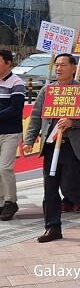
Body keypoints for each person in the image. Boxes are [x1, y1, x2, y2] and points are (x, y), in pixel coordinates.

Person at [23, 53, 80, 242]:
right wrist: (29, 139)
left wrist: (73, 122)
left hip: (71, 145)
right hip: (51, 145)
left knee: (69, 187)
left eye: (63, 65)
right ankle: (52, 227)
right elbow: (35, 116)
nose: (58, 68)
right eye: (56, 65)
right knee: (50, 189)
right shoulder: (47, 90)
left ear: (73, 68)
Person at [0, 49, 25, 221]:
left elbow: (16, 109)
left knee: (4, 167)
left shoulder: (17, 82)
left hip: (10, 132)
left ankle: (11, 201)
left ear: (8, 63)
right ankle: (1, 202)